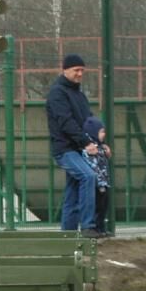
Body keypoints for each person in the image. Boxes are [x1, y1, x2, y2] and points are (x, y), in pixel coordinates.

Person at [47, 52, 104, 233]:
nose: (80, 74)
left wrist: (100, 144)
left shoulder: (79, 94)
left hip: (78, 148)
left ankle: (68, 233)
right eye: (76, 70)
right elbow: (66, 122)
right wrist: (86, 143)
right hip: (65, 149)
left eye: (82, 70)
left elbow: (89, 121)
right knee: (88, 177)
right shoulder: (57, 93)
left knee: (72, 192)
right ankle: (88, 226)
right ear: (65, 70)